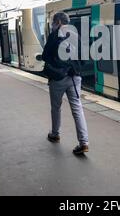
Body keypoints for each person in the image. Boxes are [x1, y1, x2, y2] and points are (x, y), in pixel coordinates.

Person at [42, 12, 89, 155]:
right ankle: (84, 142)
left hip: (58, 78)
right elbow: (84, 57)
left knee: (56, 107)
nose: (53, 25)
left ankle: (55, 134)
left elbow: (45, 56)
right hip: (75, 78)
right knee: (77, 109)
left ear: (58, 22)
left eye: (53, 22)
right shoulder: (76, 35)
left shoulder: (54, 36)